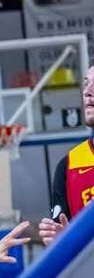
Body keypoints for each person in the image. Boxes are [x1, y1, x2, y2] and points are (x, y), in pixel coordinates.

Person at [39, 63, 94, 248]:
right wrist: (61, 241)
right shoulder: (69, 165)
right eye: (86, 84)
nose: (88, 91)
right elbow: (62, 241)